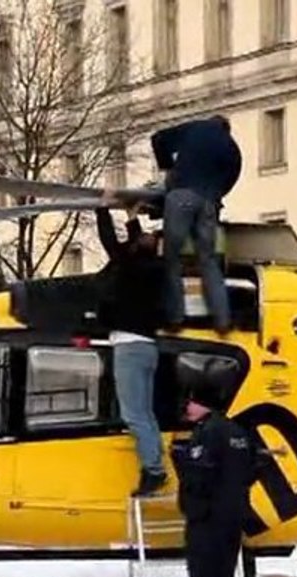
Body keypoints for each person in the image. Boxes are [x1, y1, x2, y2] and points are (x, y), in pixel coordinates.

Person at [170, 358, 256, 577]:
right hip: (233, 512)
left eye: (192, 402)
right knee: (222, 571)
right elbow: (252, 468)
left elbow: (200, 473)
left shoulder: (208, 433)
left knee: (203, 573)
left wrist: (180, 460)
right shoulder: (237, 430)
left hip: (209, 514)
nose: (188, 408)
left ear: (204, 404)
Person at [96, 197, 168, 497]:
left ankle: (154, 470)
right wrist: (131, 216)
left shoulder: (131, 268)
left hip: (130, 347)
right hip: (147, 347)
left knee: (134, 414)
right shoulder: (155, 269)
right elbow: (133, 244)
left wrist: (101, 208)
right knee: (145, 413)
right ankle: (155, 463)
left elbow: (110, 242)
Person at [150, 115, 242, 334]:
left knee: (172, 258)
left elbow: (158, 138)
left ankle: (175, 318)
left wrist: (168, 168)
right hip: (208, 202)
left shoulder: (194, 127)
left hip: (180, 196)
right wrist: (215, 194)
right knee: (208, 260)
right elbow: (232, 176)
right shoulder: (231, 147)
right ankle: (222, 320)